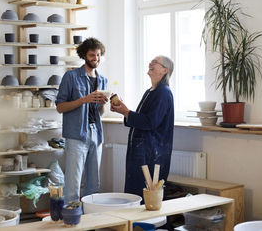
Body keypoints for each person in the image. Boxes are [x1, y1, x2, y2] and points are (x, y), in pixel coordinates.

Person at [110, 55, 174, 199]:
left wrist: (126, 112)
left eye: (155, 62)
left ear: (164, 70)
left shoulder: (163, 92)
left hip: (151, 153)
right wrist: (124, 112)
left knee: (143, 196)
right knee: (134, 193)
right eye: (151, 61)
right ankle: (134, 222)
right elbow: (142, 119)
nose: (150, 63)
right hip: (141, 151)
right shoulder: (151, 91)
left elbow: (151, 122)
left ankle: (144, 223)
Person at [56, 37, 108, 204]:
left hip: (96, 133)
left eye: (98, 55)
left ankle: (89, 223)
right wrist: (84, 100)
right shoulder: (71, 77)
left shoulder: (102, 80)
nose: (96, 59)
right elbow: (60, 107)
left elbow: (100, 113)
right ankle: (71, 223)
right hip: (77, 134)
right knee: (73, 183)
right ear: (84, 56)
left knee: (93, 183)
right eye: (92, 55)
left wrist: (102, 104)